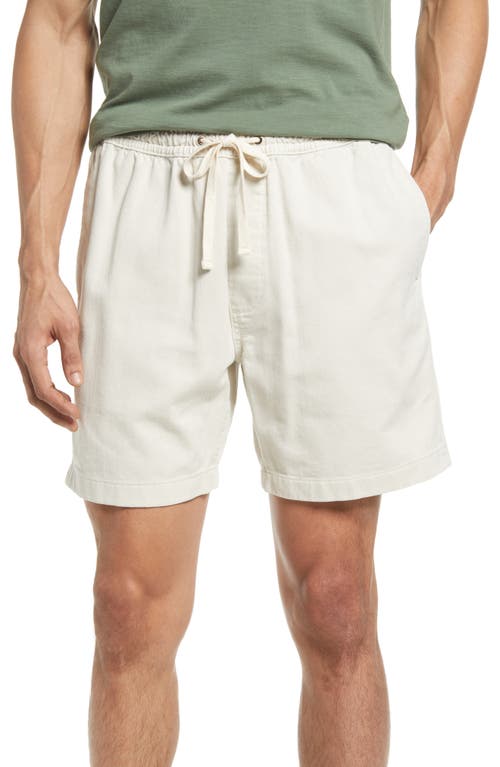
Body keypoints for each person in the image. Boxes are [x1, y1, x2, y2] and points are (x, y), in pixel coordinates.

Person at [12, 1, 488, 765]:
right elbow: (58, 19)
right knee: (126, 606)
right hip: (149, 177)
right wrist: (38, 266)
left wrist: (433, 177)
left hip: (334, 177)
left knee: (336, 599)